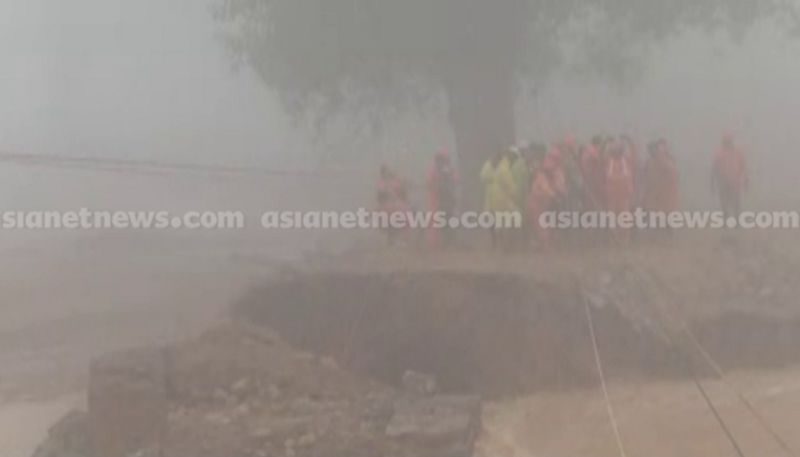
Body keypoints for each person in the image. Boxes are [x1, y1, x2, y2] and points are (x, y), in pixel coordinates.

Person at [480, 148, 518, 249]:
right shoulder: (490, 167)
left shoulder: (503, 170)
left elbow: (510, 185)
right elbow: (483, 176)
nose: (493, 160)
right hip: (491, 201)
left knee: (503, 224)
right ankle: (496, 244)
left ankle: (505, 245)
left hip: (503, 202)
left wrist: (513, 195)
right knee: (492, 224)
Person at [527, 154, 565, 250]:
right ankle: (545, 246)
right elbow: (546, 190)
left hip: (541, 204)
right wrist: (556, 197)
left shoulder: (544, 177)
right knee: (541, 225)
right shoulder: (542, 178)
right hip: (537, 205)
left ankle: (542, 244)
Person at [642, 139, 679, 236]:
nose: (650, 152)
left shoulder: (664, 160)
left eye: (652, 150)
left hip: (664, 192)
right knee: (653, 212)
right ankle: (656, 233)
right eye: (649, 150)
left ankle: (668, 233)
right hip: (653, 192)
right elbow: (645, 173)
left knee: (666, 212)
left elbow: (672, 174)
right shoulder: (649, 161)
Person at [712, 133, 748, 219]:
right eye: (726, 141)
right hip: (723, 182)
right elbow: (714, 168)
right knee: (724, 202)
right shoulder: (719, 153)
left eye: (728, 141)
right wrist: (712, 182)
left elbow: (743, 167)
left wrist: (746, 180)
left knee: (735, 202)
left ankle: (737, 219)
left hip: (735, 182)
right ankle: (726, 219)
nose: (727, 143)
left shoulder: (738, 152)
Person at [427, 150, 458, 248]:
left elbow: (455, 180)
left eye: (443, 160)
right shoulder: (433, 170)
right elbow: (430, 183)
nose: (441, 162)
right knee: (439, 221)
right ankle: (437, 242)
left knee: (448, 219)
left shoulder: (449, 170)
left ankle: (448, 241)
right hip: (437, 199)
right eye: (440, 160)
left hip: (447, 199)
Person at [605, 140, 635, 243]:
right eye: (614, 151)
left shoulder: (625, 161)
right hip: (613, 195)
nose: (616, 153)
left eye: (618, 151)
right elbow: (608, 177)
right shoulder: (609, 162)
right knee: (613, 218)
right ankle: (613, 239)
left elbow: (633, 155)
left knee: (624, 217)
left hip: (623, 195)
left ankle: (624, 239)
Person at [376, 165, 410, 245]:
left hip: (392, 205)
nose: (388, 174)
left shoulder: (391, 182)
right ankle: (402, 238)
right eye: (386, 172)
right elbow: (382, 195)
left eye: (388, 172)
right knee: (404, 212)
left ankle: (401, 238)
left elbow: (402, 190)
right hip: (388, 206)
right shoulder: (383, 183)